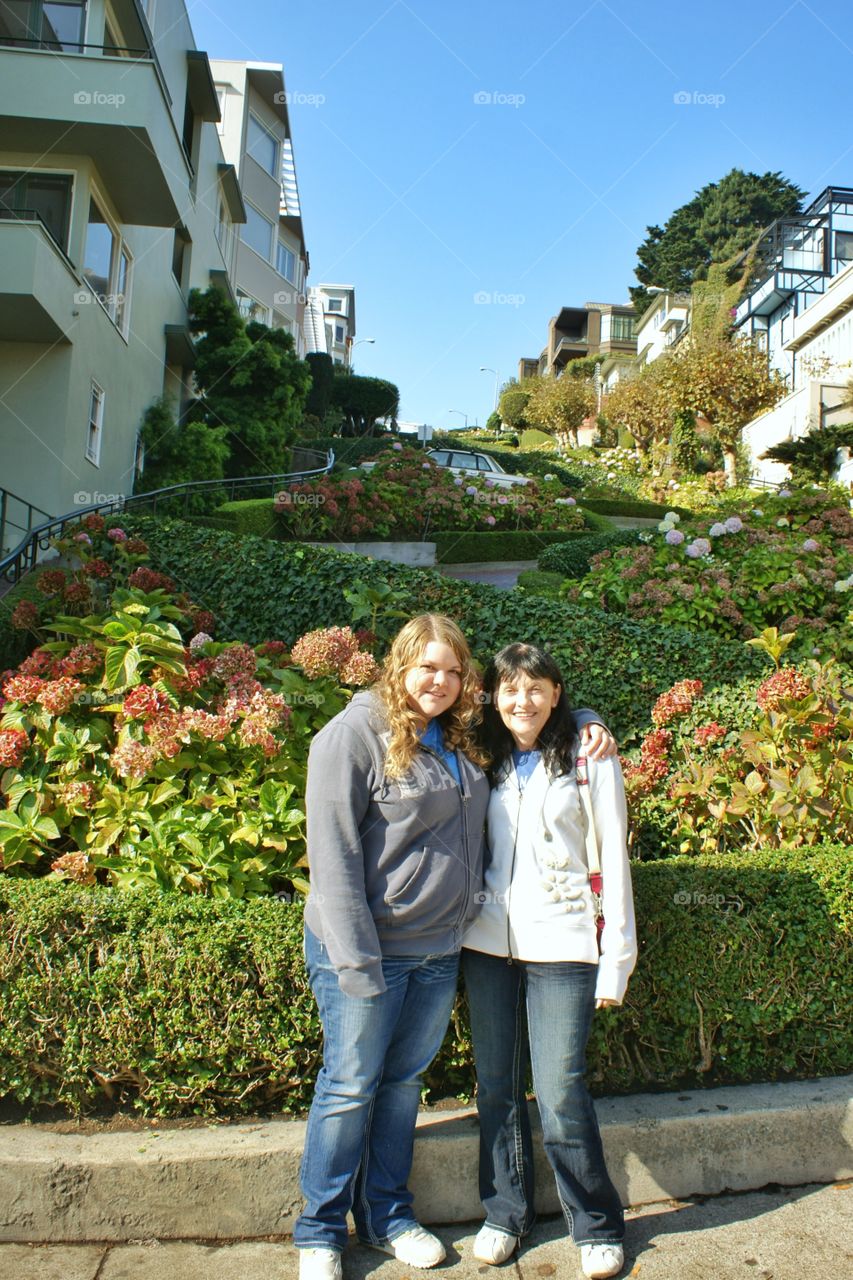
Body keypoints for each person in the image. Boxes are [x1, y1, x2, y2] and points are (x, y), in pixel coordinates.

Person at [294, 616, 615, 1280]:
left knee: (401, 1085)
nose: (438, 682)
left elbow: (531, 706)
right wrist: (356, 965)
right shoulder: (349, 738)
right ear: (397, 668)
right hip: (368, 951)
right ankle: (319, 1231)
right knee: (350, 1085)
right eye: (425, 669)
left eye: (450, 671)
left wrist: (583, 712)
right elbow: (332, 860)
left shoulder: (461, 736)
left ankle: (386, 1216)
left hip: (440, 951)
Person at [462, 642, 636, 1280]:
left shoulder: (589, 759)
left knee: (561, 1091)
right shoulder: (483, 754)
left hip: (563, 944)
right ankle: (504, 1213)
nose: (522, 701)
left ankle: (594, 1223)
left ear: (557, 694)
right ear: (493, 697)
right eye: (509, 690)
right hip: (487, 944)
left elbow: (612, 861)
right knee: (497, 1086)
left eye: (536, 689)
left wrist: (616, 959)